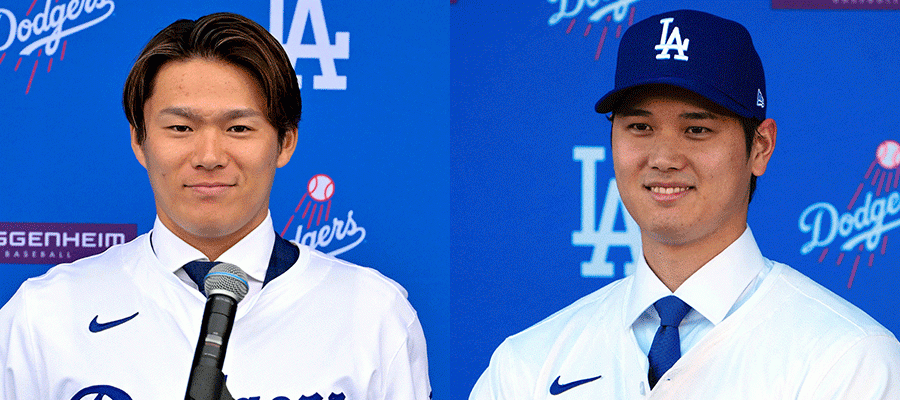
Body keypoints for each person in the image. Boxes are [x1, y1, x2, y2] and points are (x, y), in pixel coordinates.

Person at [470, 9, 900, 399]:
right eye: (640, 127)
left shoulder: (847, 359)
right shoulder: (528, 365)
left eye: (697, 129)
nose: (663, 159)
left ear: (760, 146)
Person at [0, 12, 430, 400]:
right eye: (180, 127)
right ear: (139, 140)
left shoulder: (371, 314)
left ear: (285, 142)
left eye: (238, 128)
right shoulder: (45, 316)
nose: (209, 156)